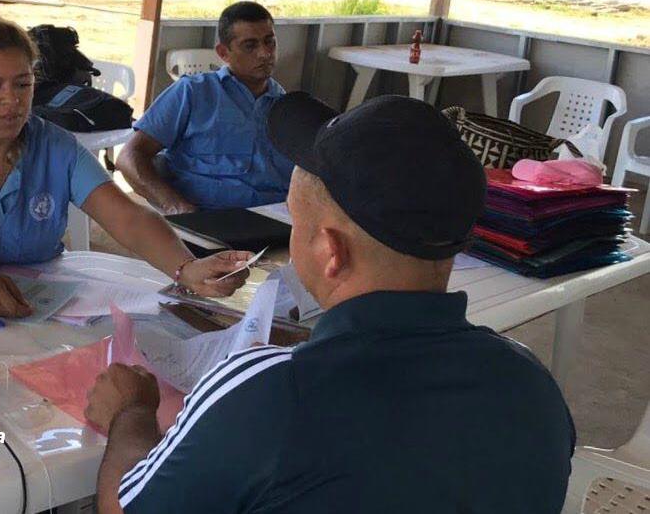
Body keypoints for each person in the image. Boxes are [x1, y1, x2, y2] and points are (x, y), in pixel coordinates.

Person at [86, 93, 576, 513]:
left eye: (294, 221)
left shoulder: (268, 391)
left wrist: (131, 412)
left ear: (330, 251)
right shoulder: (533, 387)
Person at [0, 16, 252, 318]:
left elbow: (128, 218)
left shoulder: (55, 146)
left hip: (39, 310)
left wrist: (186, 268)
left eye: (23, 84)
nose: (12, 101)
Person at [117, 1, 294, 214]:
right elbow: (130, 156)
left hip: (275, 216)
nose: (265, 53)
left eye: (269, 42)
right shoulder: (193, 93)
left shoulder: (287, 106)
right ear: (223, 53)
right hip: (207, 216)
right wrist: (177, 207)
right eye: (250, 45)